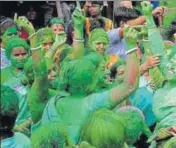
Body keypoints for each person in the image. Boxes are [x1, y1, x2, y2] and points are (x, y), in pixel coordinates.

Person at [27, 2, 140, 144]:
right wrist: (131, 46)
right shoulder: (94, 102)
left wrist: (79, 29)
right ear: (92, 80)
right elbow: (129, 86)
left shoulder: (54, 100)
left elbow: (41, 74)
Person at [1, 36, 32, 133]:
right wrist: (12, 126)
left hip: (28, 126)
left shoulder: (33, 74)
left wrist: (24, 125)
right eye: (16, 55)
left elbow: (39, 103)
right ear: (9, 56)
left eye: (24, 54)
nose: (21, 58)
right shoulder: (3, 74)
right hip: (6, 126)